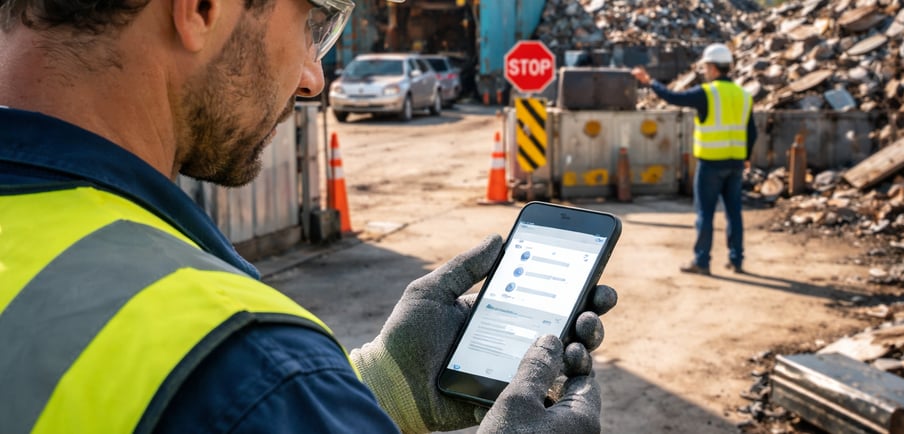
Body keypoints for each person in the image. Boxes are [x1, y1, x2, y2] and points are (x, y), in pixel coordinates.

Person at [0, 0, 617, 432]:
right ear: (201, 8)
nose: (312, 78)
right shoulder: (245, 366)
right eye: (311, 23)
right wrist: (297, 393)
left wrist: (385, 386)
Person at [631, 43, 757, 276]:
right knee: (734, 213)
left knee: (705, 214)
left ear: (713, 68)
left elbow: (673, 97)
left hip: (710, 164)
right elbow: (752, 131)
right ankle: (736, 259)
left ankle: (702, 261)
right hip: (736, 164)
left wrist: (649, 82)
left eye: (707, 66)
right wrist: (747, 156)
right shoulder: (744, 96)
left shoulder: (707, 93)